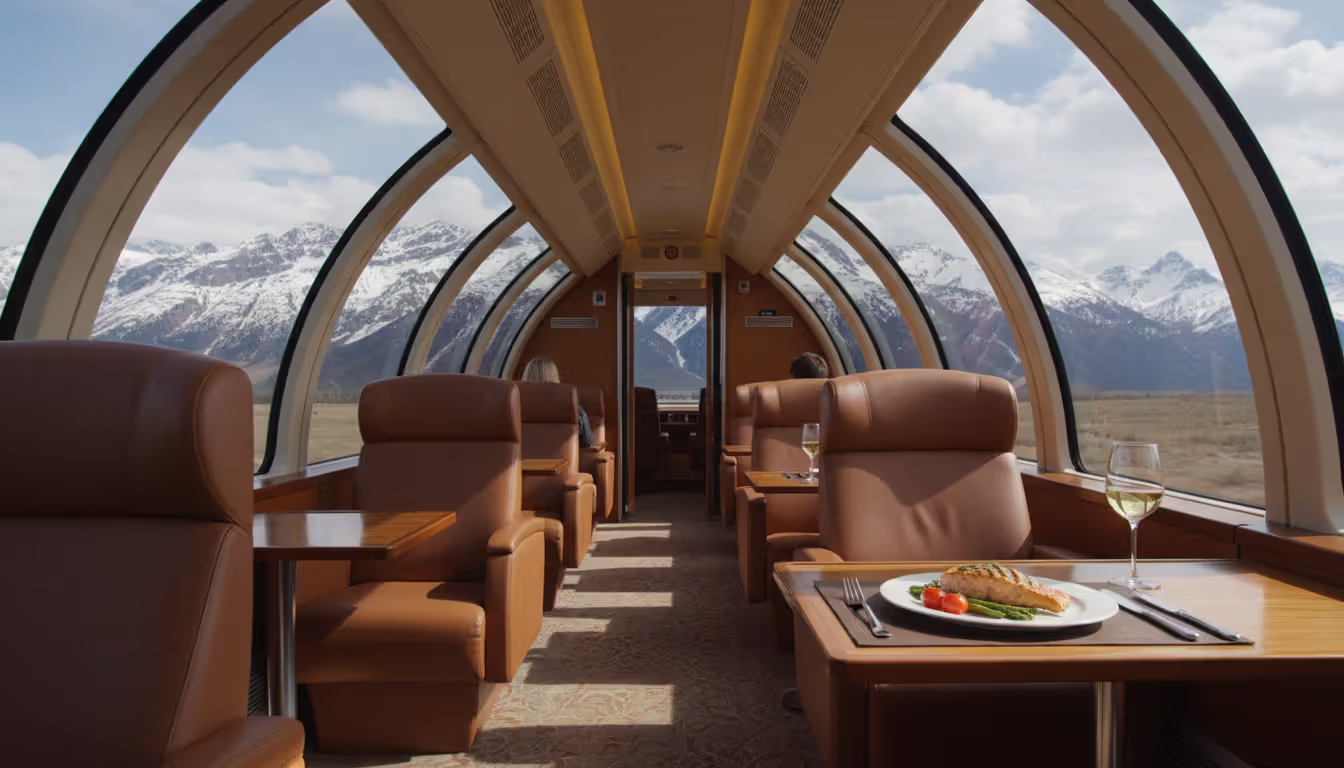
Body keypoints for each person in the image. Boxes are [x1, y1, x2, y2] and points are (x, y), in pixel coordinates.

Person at [521, 357, 594, 448]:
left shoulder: (515, 403)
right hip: (562, 460)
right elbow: (587, 441)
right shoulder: (568, 402)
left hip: (520, 460)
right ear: (554, 377)